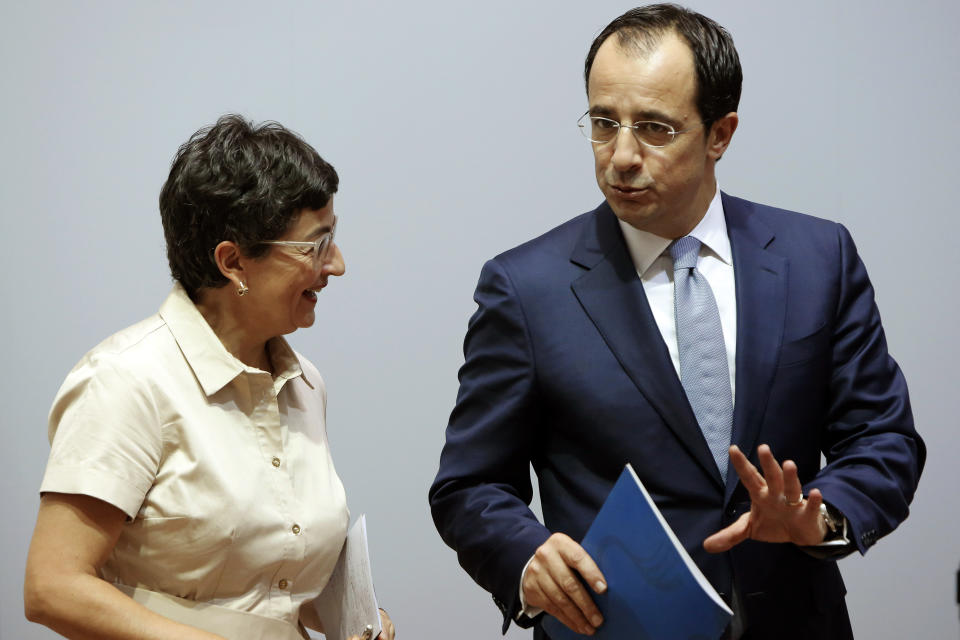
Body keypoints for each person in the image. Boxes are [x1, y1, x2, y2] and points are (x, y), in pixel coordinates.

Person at [429, 5, 924, 639]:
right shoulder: (526, 288)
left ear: (721, 133)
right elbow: (469, 485)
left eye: (655, 128)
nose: (622, 156)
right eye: (604, 123)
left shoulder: (817, 258)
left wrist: (818, 520)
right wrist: (526, 556)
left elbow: (884, 440)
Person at [24, 115, 395, 640]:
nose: (335, 265)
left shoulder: (304, 384)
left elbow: (274, 583)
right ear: (233, 262)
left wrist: (352, 619)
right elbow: (52, 587)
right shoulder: (125, 381)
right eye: (315, 245)